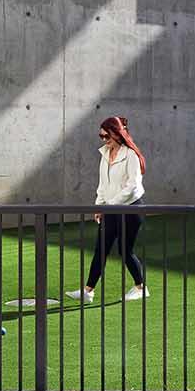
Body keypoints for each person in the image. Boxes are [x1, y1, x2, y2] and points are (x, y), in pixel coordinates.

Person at [68, 115, 146, 302]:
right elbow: (102, 185)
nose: (104, 140)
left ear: (117, 134)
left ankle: (141, 288)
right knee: (100, 249)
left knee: (125, 251)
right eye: (101, 136)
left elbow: (133, 186)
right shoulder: (104, 155)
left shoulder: (131, 155)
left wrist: (109, 205)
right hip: (111, 209)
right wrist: (99, 206)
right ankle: (88, 291)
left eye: (107, 136)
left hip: (130, 209)